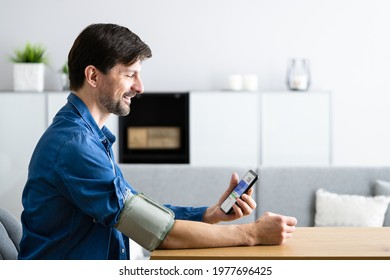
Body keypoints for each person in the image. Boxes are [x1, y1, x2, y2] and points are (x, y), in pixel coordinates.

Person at [18, 23, 297, 260]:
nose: (140, 87)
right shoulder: (75, 145)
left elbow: (138, 211)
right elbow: (154, 232)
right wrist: (250, 234)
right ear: (93, 76)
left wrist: (208, 214)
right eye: (129, 74)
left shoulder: (87, 136)